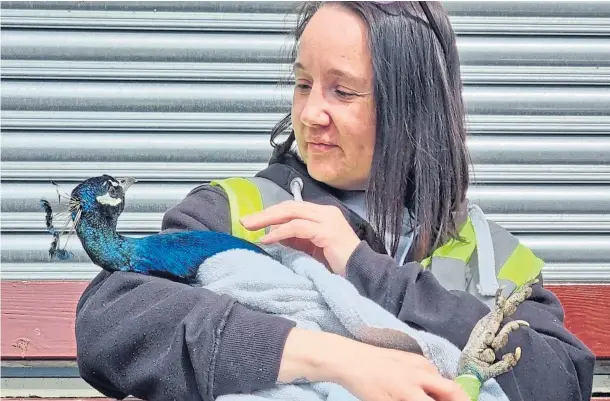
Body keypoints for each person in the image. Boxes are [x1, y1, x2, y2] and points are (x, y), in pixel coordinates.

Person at [74, 2, 595, 401]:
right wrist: (330, 358)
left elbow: (559, 382)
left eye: (342, 92)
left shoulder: (488, 254)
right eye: (304, 84)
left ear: (414, 109)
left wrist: (367, 270)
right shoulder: (240, 211)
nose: (311, 113)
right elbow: (110, 320)